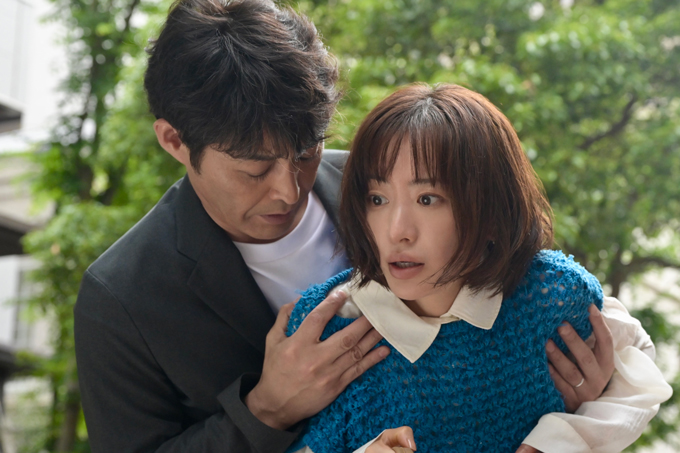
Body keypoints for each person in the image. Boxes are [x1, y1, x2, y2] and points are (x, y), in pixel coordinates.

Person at [73, 0, 637, 452]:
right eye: (254, 169)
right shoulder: (121, 298)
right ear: (174, 140)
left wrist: (581, 400)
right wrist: (266, 408)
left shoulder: (384, 183)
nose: (288, 189)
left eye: (306, 153)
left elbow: (520, 291)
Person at [285, 84, 673, 453]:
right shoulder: (332, 323)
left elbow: (640, 375)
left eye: (427, 199)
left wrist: (561, 439)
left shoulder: (551, 293)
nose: (397, 231)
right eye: (377, 198)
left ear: (490, 208)